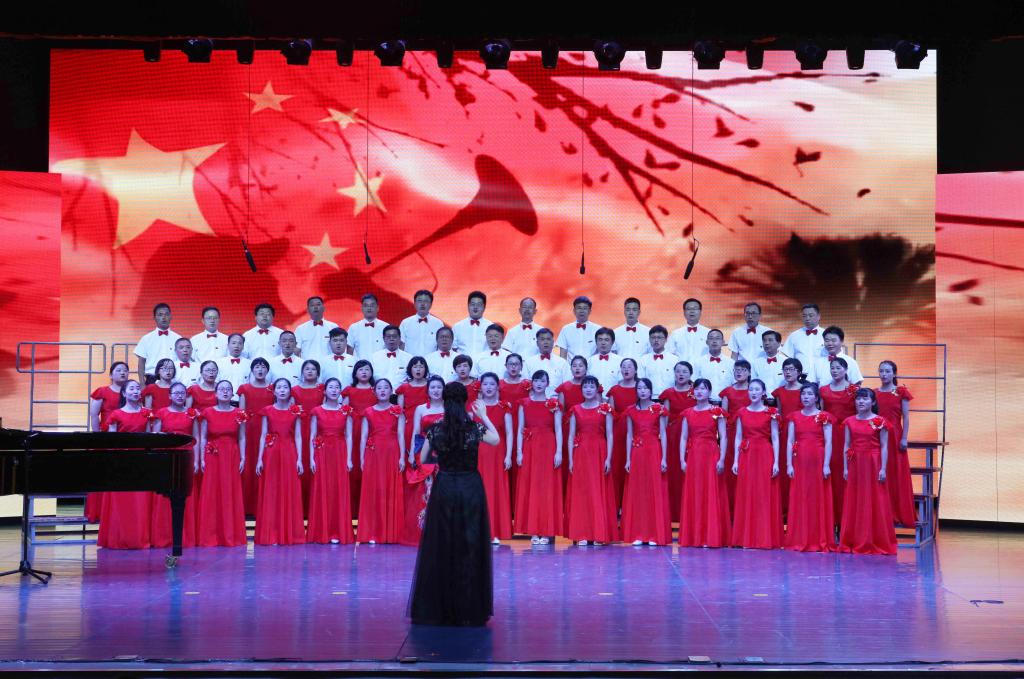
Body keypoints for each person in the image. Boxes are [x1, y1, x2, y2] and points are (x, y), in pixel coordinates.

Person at [408, 383, 498, 627]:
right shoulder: (474, 428)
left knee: (443, 544)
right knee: (470, 544)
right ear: (465, 401)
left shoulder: (436, 429)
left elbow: (424, 458)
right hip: (470, 488)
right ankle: (469, 606)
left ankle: (441, 606)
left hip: (445, 486)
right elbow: (496, 439)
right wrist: (484, 416)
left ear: (446, 402)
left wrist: (443, 455)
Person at [838, 389, 897, 555]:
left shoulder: (880, 421)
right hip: (855, 462)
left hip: (873, 462)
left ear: (873, 402)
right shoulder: (849, 421)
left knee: (875, 498)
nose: (861, 402)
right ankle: (854, 539)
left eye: (865, 399)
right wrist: (845, 467)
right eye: (858, 399)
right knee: (855, 499)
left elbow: (884, 446)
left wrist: (883, 468)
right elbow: (846, 445)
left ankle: (875, 539)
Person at [99, 380, 152, 548]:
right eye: (132, 388)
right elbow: (112, 441)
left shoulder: (147, 413)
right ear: (124, 393)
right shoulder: (116, 414)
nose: (136, 391)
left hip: (141, 460)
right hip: (122, 460)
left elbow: (150, 438)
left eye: (137, 388)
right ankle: (119, 538)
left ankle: (139, 538)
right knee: (122, 501)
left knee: (140, 501)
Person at [565, 376, 617, 546]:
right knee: (582, 492)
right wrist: (571, 459)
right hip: (581, 453)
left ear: (597, 389)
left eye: (591, 387)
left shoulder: (605, 408)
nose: (588, 389)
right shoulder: (575, 409)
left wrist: (608, 458)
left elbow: (610, 434)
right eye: (585, 387)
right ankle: (581, 533)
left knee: (597, 491)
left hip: (599, 452)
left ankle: (598, 533)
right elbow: (571, 435)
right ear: (581, 390)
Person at [678, 379, 730, 548]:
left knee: (711, 492)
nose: (699, 392)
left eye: (703, 389)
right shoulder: (687, 413)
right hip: (694, 456)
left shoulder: (717, 412)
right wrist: (682, 459)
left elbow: (724, 437)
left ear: (709, 392)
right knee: (696, 492)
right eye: (697, 389)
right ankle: (695, 536)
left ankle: (710, 536)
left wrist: (722, 459)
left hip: (711, 454)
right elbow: (683, 437)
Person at [784, 382, 836, 552]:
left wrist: (826, 464)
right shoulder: (794, 417)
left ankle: (818, 538)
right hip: (800, 460)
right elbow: (790, 441)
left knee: (817, 497)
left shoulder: (824, 416)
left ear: (816, 398)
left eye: (809, 394)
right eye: (803, 394)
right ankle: (799, 537)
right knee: (800, 497)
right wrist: (789, 464)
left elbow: (829, 442)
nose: (805, 397)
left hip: (818, 460)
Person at [731, 379, 782, 549]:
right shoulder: (741, 412)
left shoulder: (771, 413)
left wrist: (776, 462)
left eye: (757, 390)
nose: (753, 392)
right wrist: (736, 460)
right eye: (751, 389)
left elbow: (775, 438)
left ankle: (763, 537)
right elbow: (738, 437)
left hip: (764, 454)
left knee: (763, 494)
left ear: (763, 392)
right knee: (747, 493)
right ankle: (745, 537)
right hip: (747, 454)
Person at [515, 370, 563, 545]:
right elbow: (520, 428)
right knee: (532, 487)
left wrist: (559, 452)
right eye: (536, 380)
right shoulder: (524, 403)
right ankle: (534, 530)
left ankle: (547, 530)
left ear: (547, 383)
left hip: (548, 446)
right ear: (532, 383)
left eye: (542, 381)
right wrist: (519, 452)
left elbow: (558, 429)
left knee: (547, 487)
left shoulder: (554, 404)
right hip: (530, 446)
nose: (539, 384)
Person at [255, 378, 305, 545]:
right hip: (271, 452)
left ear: (290, 391)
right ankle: (272, 533)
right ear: (274, 391)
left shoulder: (295, 411)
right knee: (272, 491)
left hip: (289, 452)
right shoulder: (267, 411)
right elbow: (263, 435)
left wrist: (300, 459)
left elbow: (298, 436)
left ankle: (289, 533)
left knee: (288, 489)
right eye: (279, 387)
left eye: (285, 387)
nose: (282, 390)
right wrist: (259, 459)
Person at [197, 380, 247, 547]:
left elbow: (242, 437)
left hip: (232, 454)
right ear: (216, 393)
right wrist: (202, 458)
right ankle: (210, 535)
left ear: (232, 393)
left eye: (228, 389)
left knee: (230, 491)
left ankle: (230, 534)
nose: (225, 392)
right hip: (213, 454)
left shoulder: (239, 413)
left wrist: (243, 457)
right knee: (212, 492)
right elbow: (203, 437)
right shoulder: (208, 412)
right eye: (221, 389)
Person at [621, 378, 671, 546]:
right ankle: (638, 534)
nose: (642, 391)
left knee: (653, 490)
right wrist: (628, 458)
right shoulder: (630, 410)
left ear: (651, 391)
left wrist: (664, 457)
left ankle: (654, 535)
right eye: (639, 388)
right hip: (637, 452)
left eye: (645, 388)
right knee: (638, 491)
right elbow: (629, 435)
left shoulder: (658, 409)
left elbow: (663, 433)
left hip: (654, 451)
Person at [357, 378, 406, 544]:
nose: (383, 390)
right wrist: (362, 458)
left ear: (391, 391)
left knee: (390, 489)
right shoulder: (368, 411)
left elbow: (401, 434)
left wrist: (402, 457)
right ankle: (372, 532)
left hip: (392, 452)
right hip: (373, 453)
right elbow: (363, 436)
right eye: (379, 388)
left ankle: (391, 532)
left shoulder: (397, 410)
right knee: (374, 490)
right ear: (374, 391)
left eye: (386, 387)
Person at [151, 381, 199, 548]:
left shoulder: (192, 413)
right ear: (170, 396)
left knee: (185, 496)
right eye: (176, 393)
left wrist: (197, 460)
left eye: (182, 393)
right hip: (167, 458)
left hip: (186, 458)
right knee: (164, 497)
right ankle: (163, 536)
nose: (180, 396)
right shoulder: (161, 413)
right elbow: (156, 438)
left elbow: (196, 438)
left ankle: (184, 537)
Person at [307, 378, 355, 544]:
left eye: (337, 387)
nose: (334, 390)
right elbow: (312, 436)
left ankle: (337, 532)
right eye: (331, 387)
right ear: (325, 391)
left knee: (338, 490)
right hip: (322, 452)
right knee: (323, 488)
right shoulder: (317, 411)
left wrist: (349, 458)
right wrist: (311, 458)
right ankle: (321, 532)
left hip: (340, 452)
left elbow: (349, 436)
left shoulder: (346, 411)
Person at [402, 375, 446, 546]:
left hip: (444, 452)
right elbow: (416, 432)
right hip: (426, 452)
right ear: (427, 390)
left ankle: (442, 532)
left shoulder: (449, 408)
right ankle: (422, 531)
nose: (436, 390)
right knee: (425, 489)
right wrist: (412, 454)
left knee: (442, 489)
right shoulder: (421, 409)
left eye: (439, 387)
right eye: (432, 387)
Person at [875, 361, 916, 527]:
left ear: (894, 373)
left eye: (887, 371)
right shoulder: (874, 393)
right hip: (877, 436)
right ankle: (882, 512)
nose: (884, 374)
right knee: (880, 472)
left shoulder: (901, 392)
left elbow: (906, 417)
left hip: (894, 436)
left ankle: (897, 511)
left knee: (895, 473)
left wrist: (904, 438)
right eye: (881, 371)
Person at [820, 356, 858, 524]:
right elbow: (821, 414)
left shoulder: (854, 390)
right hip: (829, 435)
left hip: (849, 435)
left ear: (845, 370)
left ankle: (847, 518)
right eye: (832, 368)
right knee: (831, 473)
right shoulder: (823, 390)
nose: (834, 371)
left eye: (838, 368)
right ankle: (832, 518)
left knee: (847, 473)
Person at [476, 372, 514, 543]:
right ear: (480, 387)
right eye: (485, 384)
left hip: (498, 453)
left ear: (498, 387)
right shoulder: (474, 407)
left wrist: (508, 455)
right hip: (479, 453)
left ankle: (496, 531)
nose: (489, 387)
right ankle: (479, 531)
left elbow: (509, 433)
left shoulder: (504, 407)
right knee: (479, 490)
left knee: (497, 490)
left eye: (492, 384)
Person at [659, 361, 696, 524]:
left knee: (689, 472)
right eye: (678, 371)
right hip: (673, 436)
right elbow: (665, 419)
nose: (681, 374)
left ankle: (689, 513)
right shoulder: (668, 393)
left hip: (691, 435)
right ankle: (673, 513)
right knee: (673, 473)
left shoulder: (696, 392)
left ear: (691, 374)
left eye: (685, 372)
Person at [237, 358, 274, 517]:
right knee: (249, 465)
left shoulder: (273, 389)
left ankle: (266, 505)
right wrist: (241, 433)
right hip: (249, 431)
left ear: (267, 370)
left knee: (266, 466)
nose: (260, 370)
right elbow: (241, 414)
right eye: (257, 367)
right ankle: (248, 507)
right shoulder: (245, 389)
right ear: (252, 370)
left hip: (268, 430)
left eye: (263, 367)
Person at [343, 360, 378, 518]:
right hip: (352, 430)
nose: (364, 372)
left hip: (372, 429)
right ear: (355, 373)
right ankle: (352, 510)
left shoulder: (376, 390)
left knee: (369, 468)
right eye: (361, 369)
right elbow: (343, 413)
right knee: (353, 467)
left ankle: (368, 509)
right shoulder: (349, 390)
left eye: (367, 369)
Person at [771, 357, 806, 516]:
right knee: (785, 467)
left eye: (791, 369)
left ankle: (800, 506)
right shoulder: (779, 392)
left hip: (803, 432)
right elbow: (779, 413)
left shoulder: (805, 391)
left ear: (799, 372)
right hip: (785, 433)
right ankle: (784, 507)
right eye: (785, 369)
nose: (788, 372)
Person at [292, 360, 325, 514]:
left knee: (316, 465)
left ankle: (314, 506)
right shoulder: (294, 390)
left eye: (313, 369)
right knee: (300, 463)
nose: (310, 371)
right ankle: (299, 507)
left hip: (318, 430)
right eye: (307, 369)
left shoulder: (323, 389)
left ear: (318, 372)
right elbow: (291, 411)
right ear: (302, 372)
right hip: (299, 429)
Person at [606, 358, 639, 507]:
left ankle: (631, 506)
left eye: (630, 367)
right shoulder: (614, 390)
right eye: (623, 367)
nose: (626, 369)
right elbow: (611, 413)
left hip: (637, 430)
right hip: (618, 431)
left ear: (635, 370)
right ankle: (615, 505)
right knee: (617, 466)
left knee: (634, 466)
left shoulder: (640, 388)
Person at [719, 359, 752, 509]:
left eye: (743, 370)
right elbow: (724, 416)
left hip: (751, 433)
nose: (739, 372)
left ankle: (746, 505)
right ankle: (731, 507)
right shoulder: (727, 392)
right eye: (737, 370)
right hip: (732, 434)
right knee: (731, 467)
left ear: (749, 373)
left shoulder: (753, 390)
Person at [134, 302, 181, 384]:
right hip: (152, 379)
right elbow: (141, 363)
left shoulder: (178, 338)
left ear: (171, 316)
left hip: (173, 380)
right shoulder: (146, 339)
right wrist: (142, 384)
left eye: (166, 314)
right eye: (160, 315)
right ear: (154, 317)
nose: (164, 317)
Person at [523, 328, 569, 397]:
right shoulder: (528, 363)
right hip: (534, 401)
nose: (546, 342)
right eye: (542, 339)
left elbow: (567, 386)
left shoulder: (562, 363)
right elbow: (526, 386)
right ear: (537, 343)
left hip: (555, 400)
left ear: (553, 342)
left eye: (548, 339)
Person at [399, 289, 444, 357]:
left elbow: (441, 346)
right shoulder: (405, 323)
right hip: (410, 361)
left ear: (431, 304)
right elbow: (401, 345)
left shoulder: (438, 324)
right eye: (419, 301)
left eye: (426, 301)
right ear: (414, 303)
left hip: (431, 361)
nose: (422, 304)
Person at [637, 325, 680, 396]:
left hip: (670, 398)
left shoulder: (675, 360)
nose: (656, 340)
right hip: (649, 398)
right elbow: (641, 381)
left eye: (659, 337)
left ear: (666, 339)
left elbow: (678, 381)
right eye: (653, 337)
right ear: (649, 339)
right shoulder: (643, 360)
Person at [692, 329, 734, 400]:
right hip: (705, 403)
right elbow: (694, 384)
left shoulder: (731, 363)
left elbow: (735, 385)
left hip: (726, 403)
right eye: (711, 338)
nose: (714, 341)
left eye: (717, 338)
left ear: (723, 342)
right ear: (707, 342)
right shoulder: (698, 363)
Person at [294, 295, 339, 359]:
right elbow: (296, 351)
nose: (315, 307)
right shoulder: (300, 329)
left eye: (318, 304)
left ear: (323, 308)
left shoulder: (333, 327)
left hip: (328, 364)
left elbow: (339, 348)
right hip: (308, 364)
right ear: (307, 310)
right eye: (312, 305)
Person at [347, 293, 389, 361]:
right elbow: (349, 351)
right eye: (366, 305)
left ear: (377, 308)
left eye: (372, 305)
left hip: (381, 365)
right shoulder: (353, 328)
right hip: (360, 366)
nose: (369, 308)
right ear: (362, 308)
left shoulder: (386, 327)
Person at [667, 298, 709, 365]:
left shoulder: (709, 333)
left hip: (703, 370)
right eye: (688, 309)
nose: (692, 311)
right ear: (684, 312)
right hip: (681, 370)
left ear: (700, 312)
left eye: (695, 308)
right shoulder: (675, 334)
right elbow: (669, 354)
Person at [781, 303, 825, 368]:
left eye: (811, 315)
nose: (807, 318)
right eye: (804, 316)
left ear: (819, 316)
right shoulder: (794, 336)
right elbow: (786, 357)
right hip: (801, 373)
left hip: (823, 373)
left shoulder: (827, 335)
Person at [556, 296, 598, 360]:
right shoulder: (566, 329)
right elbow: (562, 356)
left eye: (585, 308)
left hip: (592, 366)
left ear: (589, 311)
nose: (582, 311)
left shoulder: (597, 329)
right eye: (579, 308)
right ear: (574, 311)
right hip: (571, 366)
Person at [453, 290, 493, 356]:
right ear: (468, 306)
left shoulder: (491, 327)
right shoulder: (457, 327)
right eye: (473, 304)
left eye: (479, 305)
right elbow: (453, 349)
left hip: (484, 361)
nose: (475, 307)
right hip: (463, 362)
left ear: (484, 307)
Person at [587, 327, 621, 392]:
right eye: (600, 339)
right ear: (596, 342)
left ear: (612, 342)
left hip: (614, 397)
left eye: (606, 340)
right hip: (594, 397)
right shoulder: (589, 361)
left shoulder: (620, 361)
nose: (603, 343)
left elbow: (621, 383)